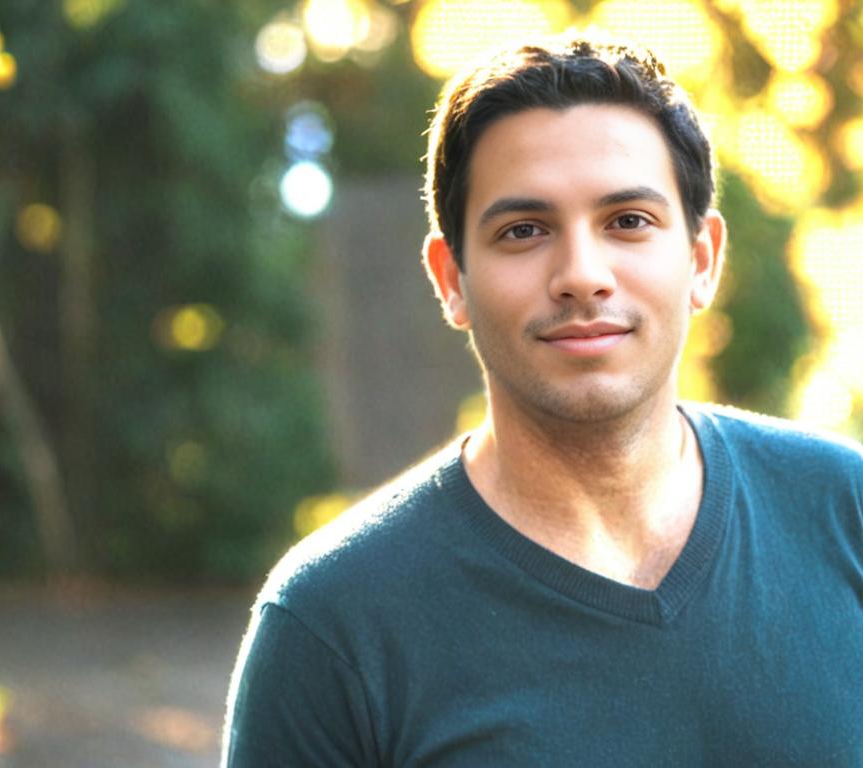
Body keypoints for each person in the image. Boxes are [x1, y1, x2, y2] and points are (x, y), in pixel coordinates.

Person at [221, 37, 863, 766]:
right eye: (523, 231)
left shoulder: (847, 515)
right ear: (451, 278)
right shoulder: (332, 624)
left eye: (628, 221)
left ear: (703, 258)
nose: (582, 275)